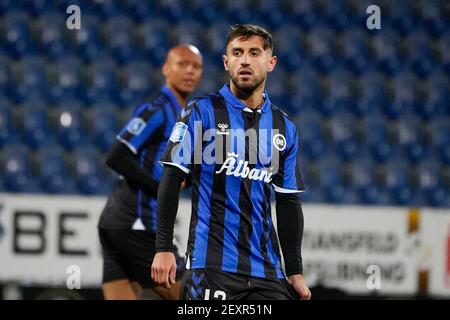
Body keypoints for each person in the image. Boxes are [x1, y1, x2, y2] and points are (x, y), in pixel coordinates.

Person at [151, 24, 311, 300]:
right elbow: (171, 177)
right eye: (237, 53)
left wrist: (294, 271)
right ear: (226, 62)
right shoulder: (200, 112)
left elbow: (287, 202)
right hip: (210, 267)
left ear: (271, 62)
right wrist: (163, 247)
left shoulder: (283, 127)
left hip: (267, 271)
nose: (245, 60)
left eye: (254, 52)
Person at [97, 45, 203, 300]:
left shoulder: (184, 113)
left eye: (196, 66)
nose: (189, 70)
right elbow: (117, 156)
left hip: (114, 224)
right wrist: (160, 188)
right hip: (138, 223)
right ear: (166, 69)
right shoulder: (157, 109)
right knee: (194, 299)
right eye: (182, 64)